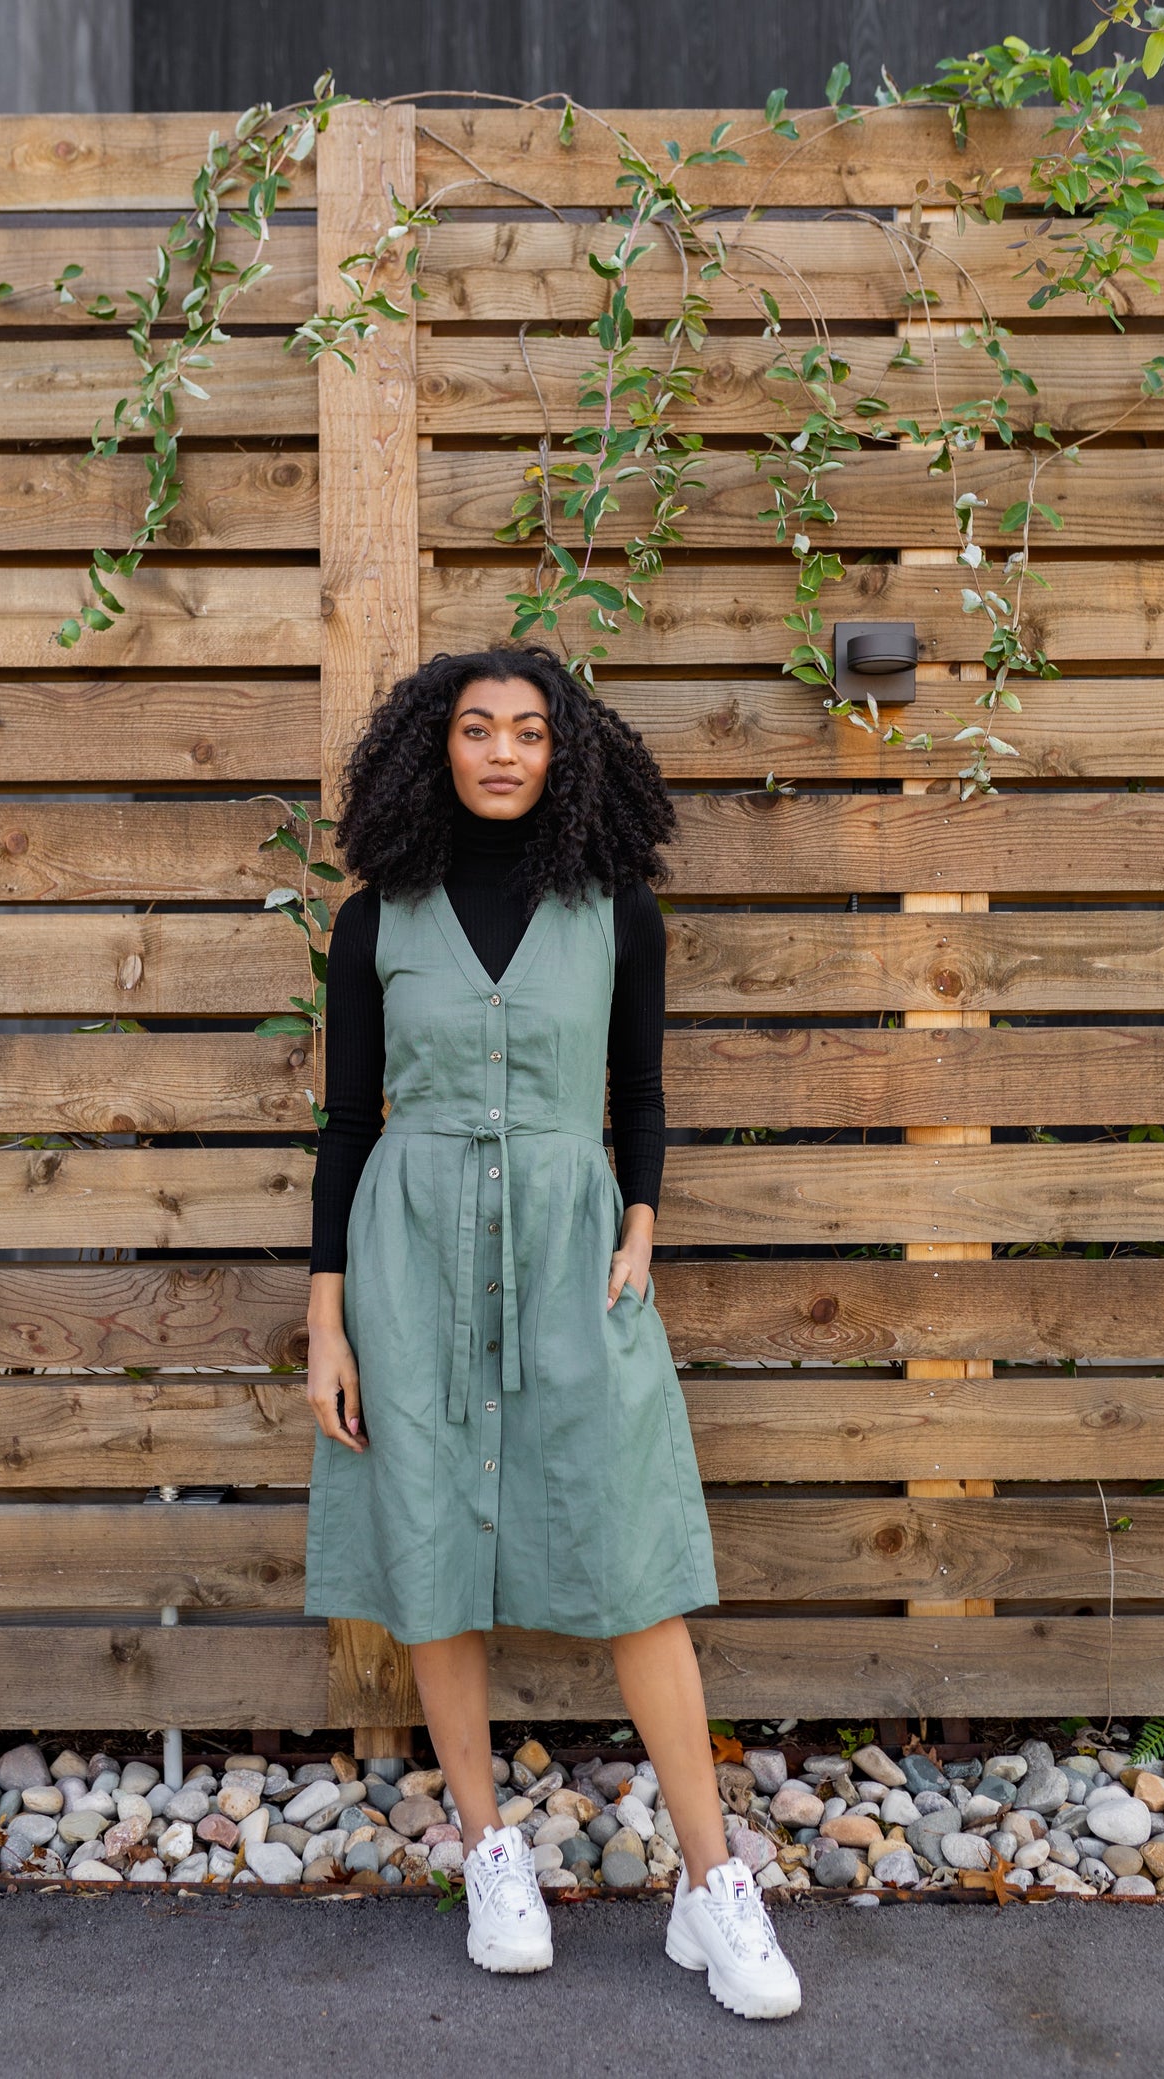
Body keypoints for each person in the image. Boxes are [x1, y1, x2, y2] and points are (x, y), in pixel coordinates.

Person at [303, 642, 801, 2020]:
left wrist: (641, 1222)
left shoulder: (614, 907)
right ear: (436, 748)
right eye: (477, 729)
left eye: (529, 730)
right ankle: (486, 1848)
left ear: (563, 751)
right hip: (406, 1254)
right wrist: (325, 1319)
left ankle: (711, 1886)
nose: (504, 751)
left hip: (578, 1254)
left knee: (633, 1549)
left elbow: (637, 1087)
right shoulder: (376, 918)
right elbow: (348, 1127)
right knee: (430, 1538)